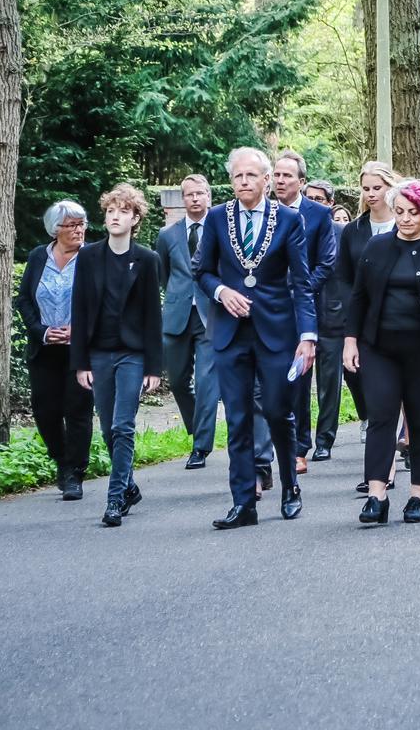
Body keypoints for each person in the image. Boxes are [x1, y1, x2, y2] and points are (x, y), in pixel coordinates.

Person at [196, 146, 318, 529]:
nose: (244, 182)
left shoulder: (288, 220)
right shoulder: (217, 218)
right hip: (231, 334)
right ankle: (243, 502)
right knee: (237, 418)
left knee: (280, 412)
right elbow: (201, 270)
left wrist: (308, 335)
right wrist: (221, 292)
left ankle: (290, 488)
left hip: (276, 331)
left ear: (267, 179)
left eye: (251, 175)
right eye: (237, 176)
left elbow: (301, 281)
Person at [344, 181, 420, 525]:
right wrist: (350, 340)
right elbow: (358, 297)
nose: (406, 219)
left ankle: (418, 492)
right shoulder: (376, 247)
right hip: (379, 346)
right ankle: (376, 495)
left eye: (413, 213)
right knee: (381, 416)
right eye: (399, 212)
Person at [70, 184, 163, 527]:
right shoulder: (89, 256)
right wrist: (80, 362)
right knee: (109, 427)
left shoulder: (147, 260)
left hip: (133, 354)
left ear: (135, 218)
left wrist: (155, 366)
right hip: (98, 353)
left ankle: (114, 499)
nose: (115, 216)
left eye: (123, 211)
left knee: (124, 425)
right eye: (111, 211)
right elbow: (78, 311)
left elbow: (154, 316)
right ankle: (129, 485)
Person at [18, 199, 94, 500]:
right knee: (44, 409)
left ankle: (75, 472)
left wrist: (79, 330)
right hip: (45, 348)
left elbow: (102, 302)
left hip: (80, 349)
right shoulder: (39, 257)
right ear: (55, 229)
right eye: (71, 225)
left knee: (78, 410)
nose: (79, 230)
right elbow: (24, 299)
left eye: (81, 224)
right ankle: (61, 460)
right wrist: (43, 332)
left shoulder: (92, 257)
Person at [272, 152, 338, 475]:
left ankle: (300, 447)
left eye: (287, 176)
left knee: (300, 378)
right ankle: (269, 446)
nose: (280, 180)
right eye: (277, 175)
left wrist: (301, 290)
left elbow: (326, 262)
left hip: (305, 306)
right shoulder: (264, 214)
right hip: (268, 308)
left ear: (301, 181)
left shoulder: (318, 215)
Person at [335, 161, 401, 481]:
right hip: (366, 322)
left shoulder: (405, 224)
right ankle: (384, 449)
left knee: (399, 391)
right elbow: (344, 278)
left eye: (378, 188)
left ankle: (383, 467)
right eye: (366, 189)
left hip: (404, 321)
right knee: (370, 388)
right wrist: (353, 314)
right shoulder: (353, 231)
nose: (372, 194)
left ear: (390, 188)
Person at [156, 175, 220, 470]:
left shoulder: (220, 228)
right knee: (179, 380)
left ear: (208, 196)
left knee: (208, 382)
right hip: (178, 314)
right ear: (183, 200)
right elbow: (164, 275)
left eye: (199, 194)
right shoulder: (167, 236)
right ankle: (197, 426)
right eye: (189, 195)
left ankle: (201, 446)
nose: (195, 199)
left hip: (212, 314)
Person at [300, 179, 345, 461]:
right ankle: (300, 440)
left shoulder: (342, 232)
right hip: (302, 315)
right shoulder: (295, 227)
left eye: (319, 199)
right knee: (300, 382)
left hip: (332, 314)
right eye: (309, 198)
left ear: (330, 203)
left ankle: (325, 438)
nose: (313, 202)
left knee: (329, 382)